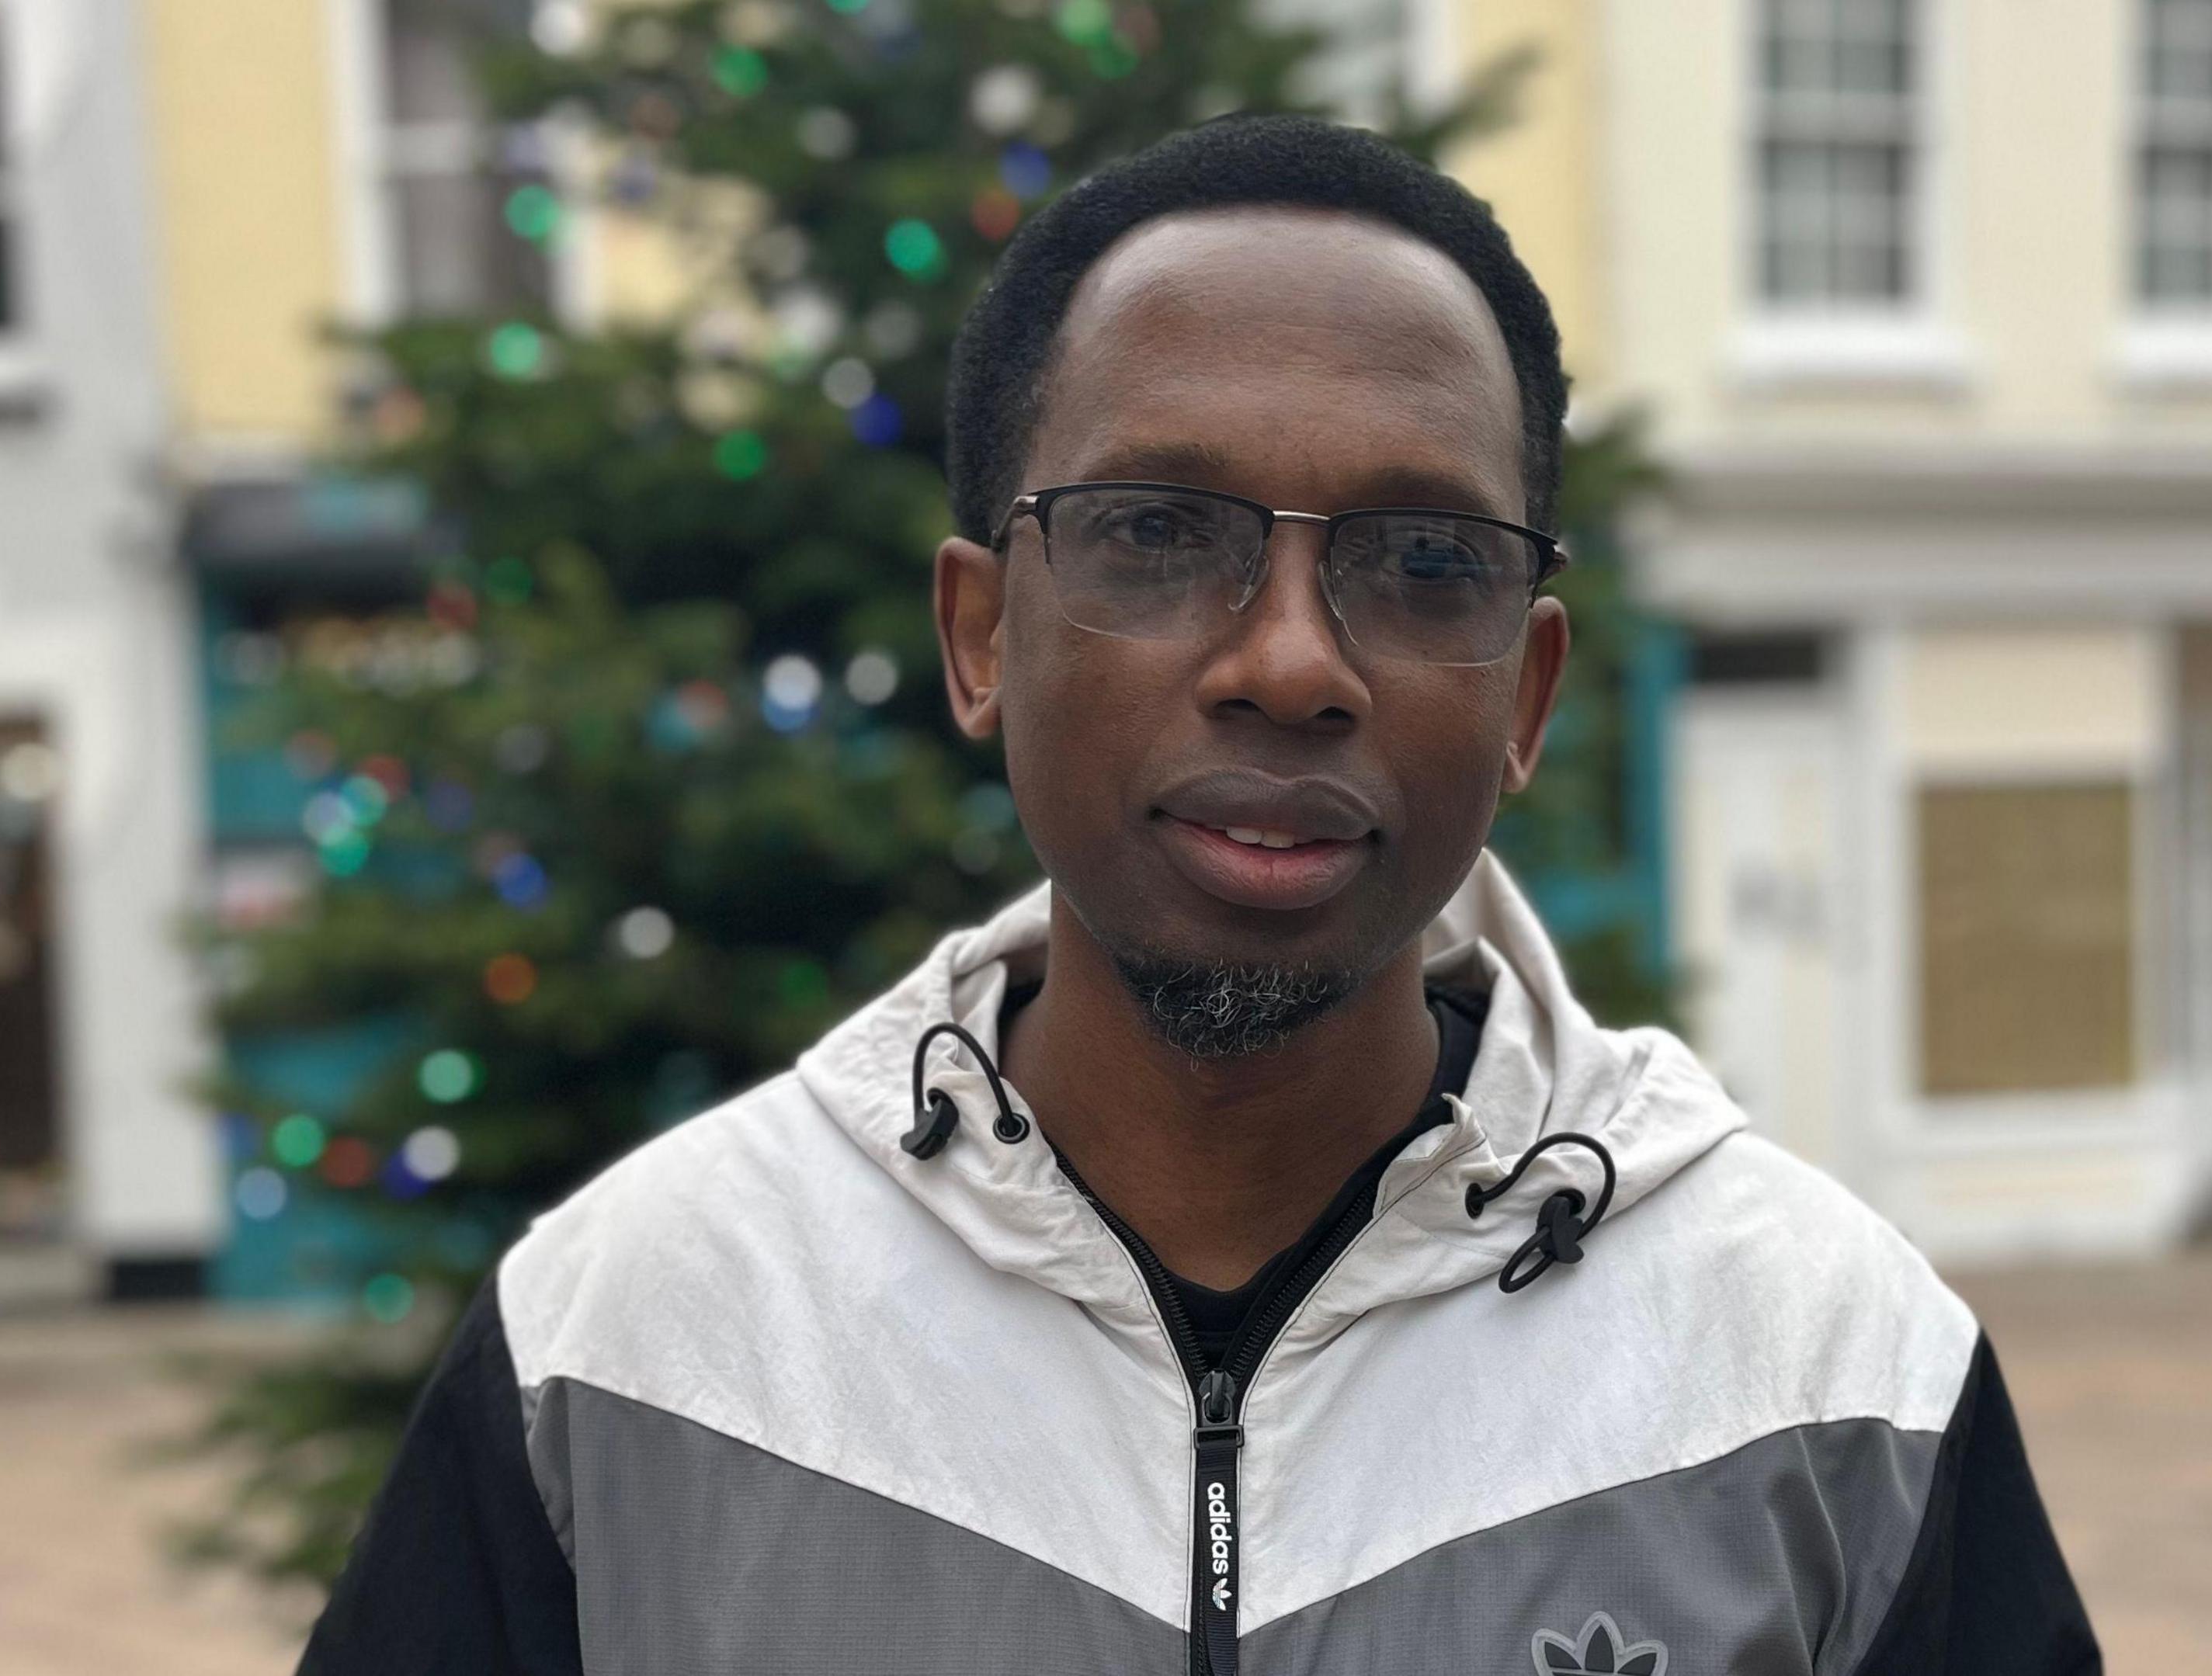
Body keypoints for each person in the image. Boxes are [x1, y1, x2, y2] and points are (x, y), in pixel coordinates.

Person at [296, 114, 2099, 1676]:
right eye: (1161, 532)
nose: (1294, 663)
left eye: (1420, 561)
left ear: (1530, 691)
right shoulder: (633, 1348)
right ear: (984, 634)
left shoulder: (1827, 1373)